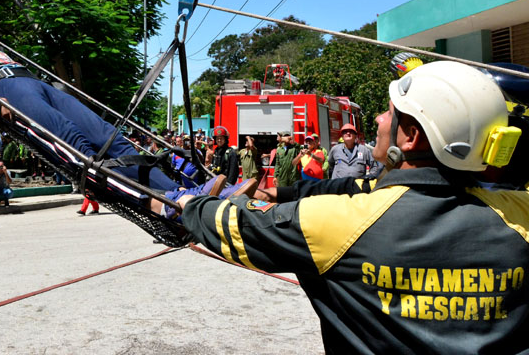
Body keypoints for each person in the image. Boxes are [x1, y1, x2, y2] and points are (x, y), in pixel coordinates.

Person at [177, 61, 529, 353]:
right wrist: (282, 193)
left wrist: (188, 203)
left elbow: (233, 224)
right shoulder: (519, 213)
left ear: (411, 137)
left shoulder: (341, 223)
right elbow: (349, 185)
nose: (376, 119)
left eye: (389, 113)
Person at [0, 0, 256, 215]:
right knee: (75, 144)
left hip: (29, 79)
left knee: (110, 137)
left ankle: (186, 191)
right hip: (0, 87)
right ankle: (162, 202)